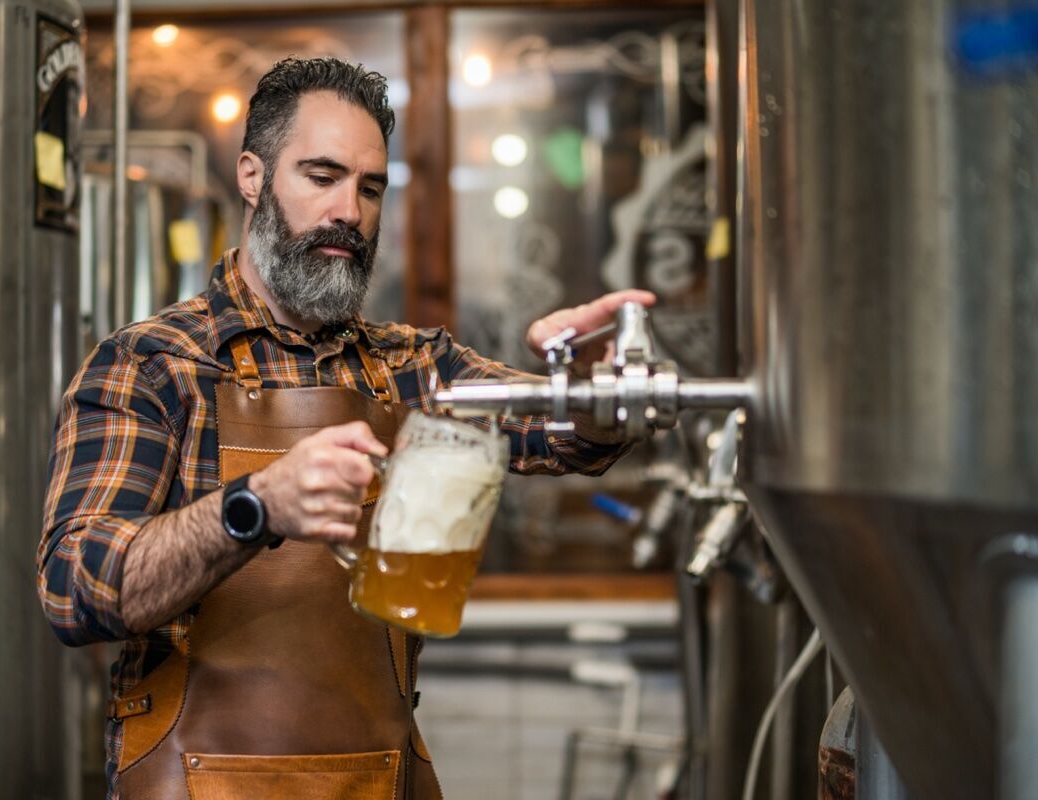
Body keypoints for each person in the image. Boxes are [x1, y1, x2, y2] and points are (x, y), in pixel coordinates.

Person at [37, 57, 652, 800]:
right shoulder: (156, 363)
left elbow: (569, 437)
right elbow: (75, 585)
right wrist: (253, 508)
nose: (349, 213)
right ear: (253, 176)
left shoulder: (412, 367)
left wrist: (595, 385)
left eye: (369, 187)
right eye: (321, 177)